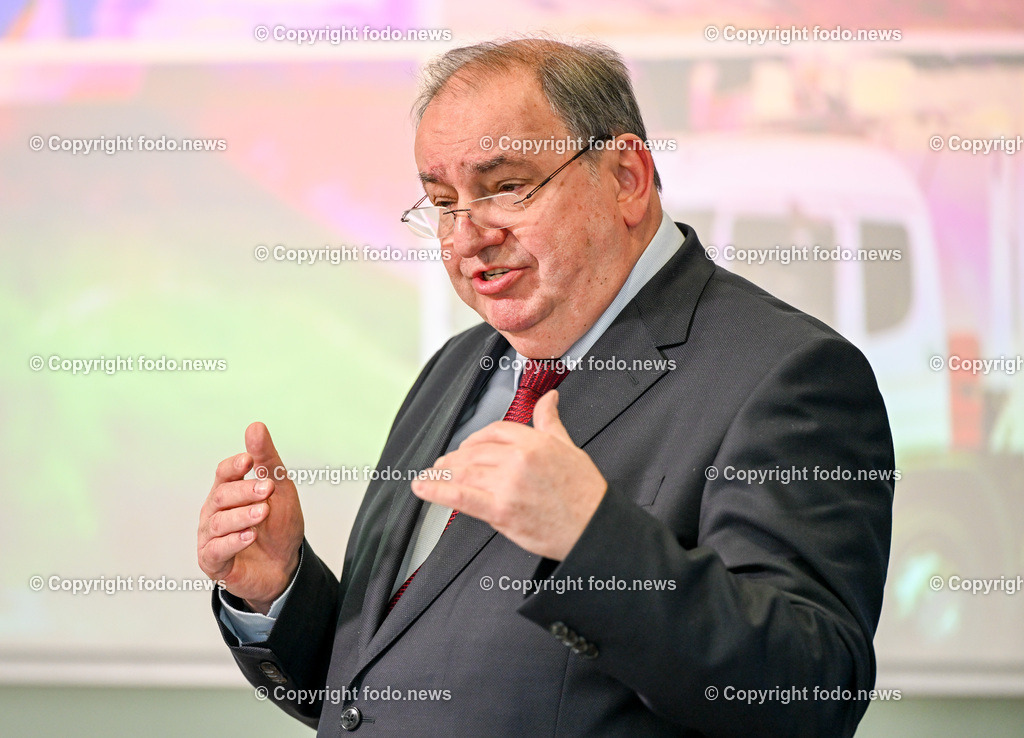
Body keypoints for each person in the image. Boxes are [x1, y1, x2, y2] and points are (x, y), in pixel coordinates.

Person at [197, 37, 894, 737]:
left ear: (626, 177)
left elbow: (808, 693)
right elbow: (378, 690)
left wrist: (590, 537)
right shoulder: (456, 368)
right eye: (442, 202)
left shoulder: (785, 375)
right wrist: (278, 589)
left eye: (504, 187)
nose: (467, 237)